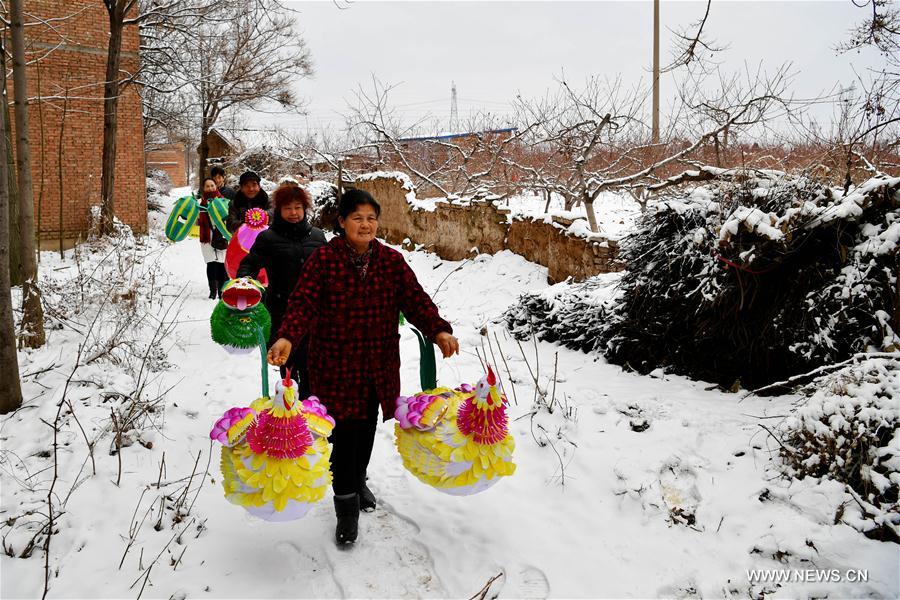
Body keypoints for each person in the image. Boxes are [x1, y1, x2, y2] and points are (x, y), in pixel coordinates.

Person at [267, 189, 459, 546]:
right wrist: (287, 338)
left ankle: (356, 480)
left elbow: (415, 299)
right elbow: (302, 303)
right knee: (341, 433)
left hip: (377, 363)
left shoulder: (390, 261)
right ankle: (346, 507)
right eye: (358, 218)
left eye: (371, 218)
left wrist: (438, 329)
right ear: (341, 222)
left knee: (366, 427)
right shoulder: (323, 261)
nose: (366, 224)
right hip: (335, 365)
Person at [236, 183, 326, 397]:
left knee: (313, 367)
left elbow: (332, 269)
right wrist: (244, 282)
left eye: (298, 207)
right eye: (288, 208)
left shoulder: (317, 236)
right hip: (282, 312)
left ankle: (311, 413)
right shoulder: (268, 238)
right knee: (290, 366)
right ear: (279, 210)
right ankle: (290, 411)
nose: (293, 213)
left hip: (315, 313)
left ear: (305, 209)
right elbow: (249, 264)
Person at [198, 177, 229, 299]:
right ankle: (212, 291)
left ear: (216, 187)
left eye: (212, 185)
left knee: (221, 264)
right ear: (204, 188)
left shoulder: (224, 201)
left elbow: (228, 217)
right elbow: (196, 221)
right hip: (207, 236)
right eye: (207, 186)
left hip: (220, 235)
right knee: (211, 264)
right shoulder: (201, 203)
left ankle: (222, 291)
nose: (210, 188)